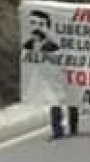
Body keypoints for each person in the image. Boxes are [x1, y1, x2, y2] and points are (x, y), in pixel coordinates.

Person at [22, 10, 78, 139]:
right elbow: (25, 59)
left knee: (72, 100)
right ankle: (57, 130)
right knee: (55, 102)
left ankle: (73, 125)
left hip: (63, 75)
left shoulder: (54, 43)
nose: (36, 27)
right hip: (47, 79)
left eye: (40, 24)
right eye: (32, 23)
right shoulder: (28, 44)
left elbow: (62, 58)